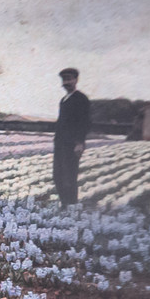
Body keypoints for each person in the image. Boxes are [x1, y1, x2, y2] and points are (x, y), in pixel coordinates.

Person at [53, 67, 91, 205]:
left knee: (69, 176)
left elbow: (84, 122)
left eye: (69, 79)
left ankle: (71, 205)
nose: (66, 82)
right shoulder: (64, 100)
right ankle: (65, 203)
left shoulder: (81, 99)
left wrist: (80, 142)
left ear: (76, 80)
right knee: (58, 175)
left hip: (72, 144)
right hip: (60, 143)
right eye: (64, 80)